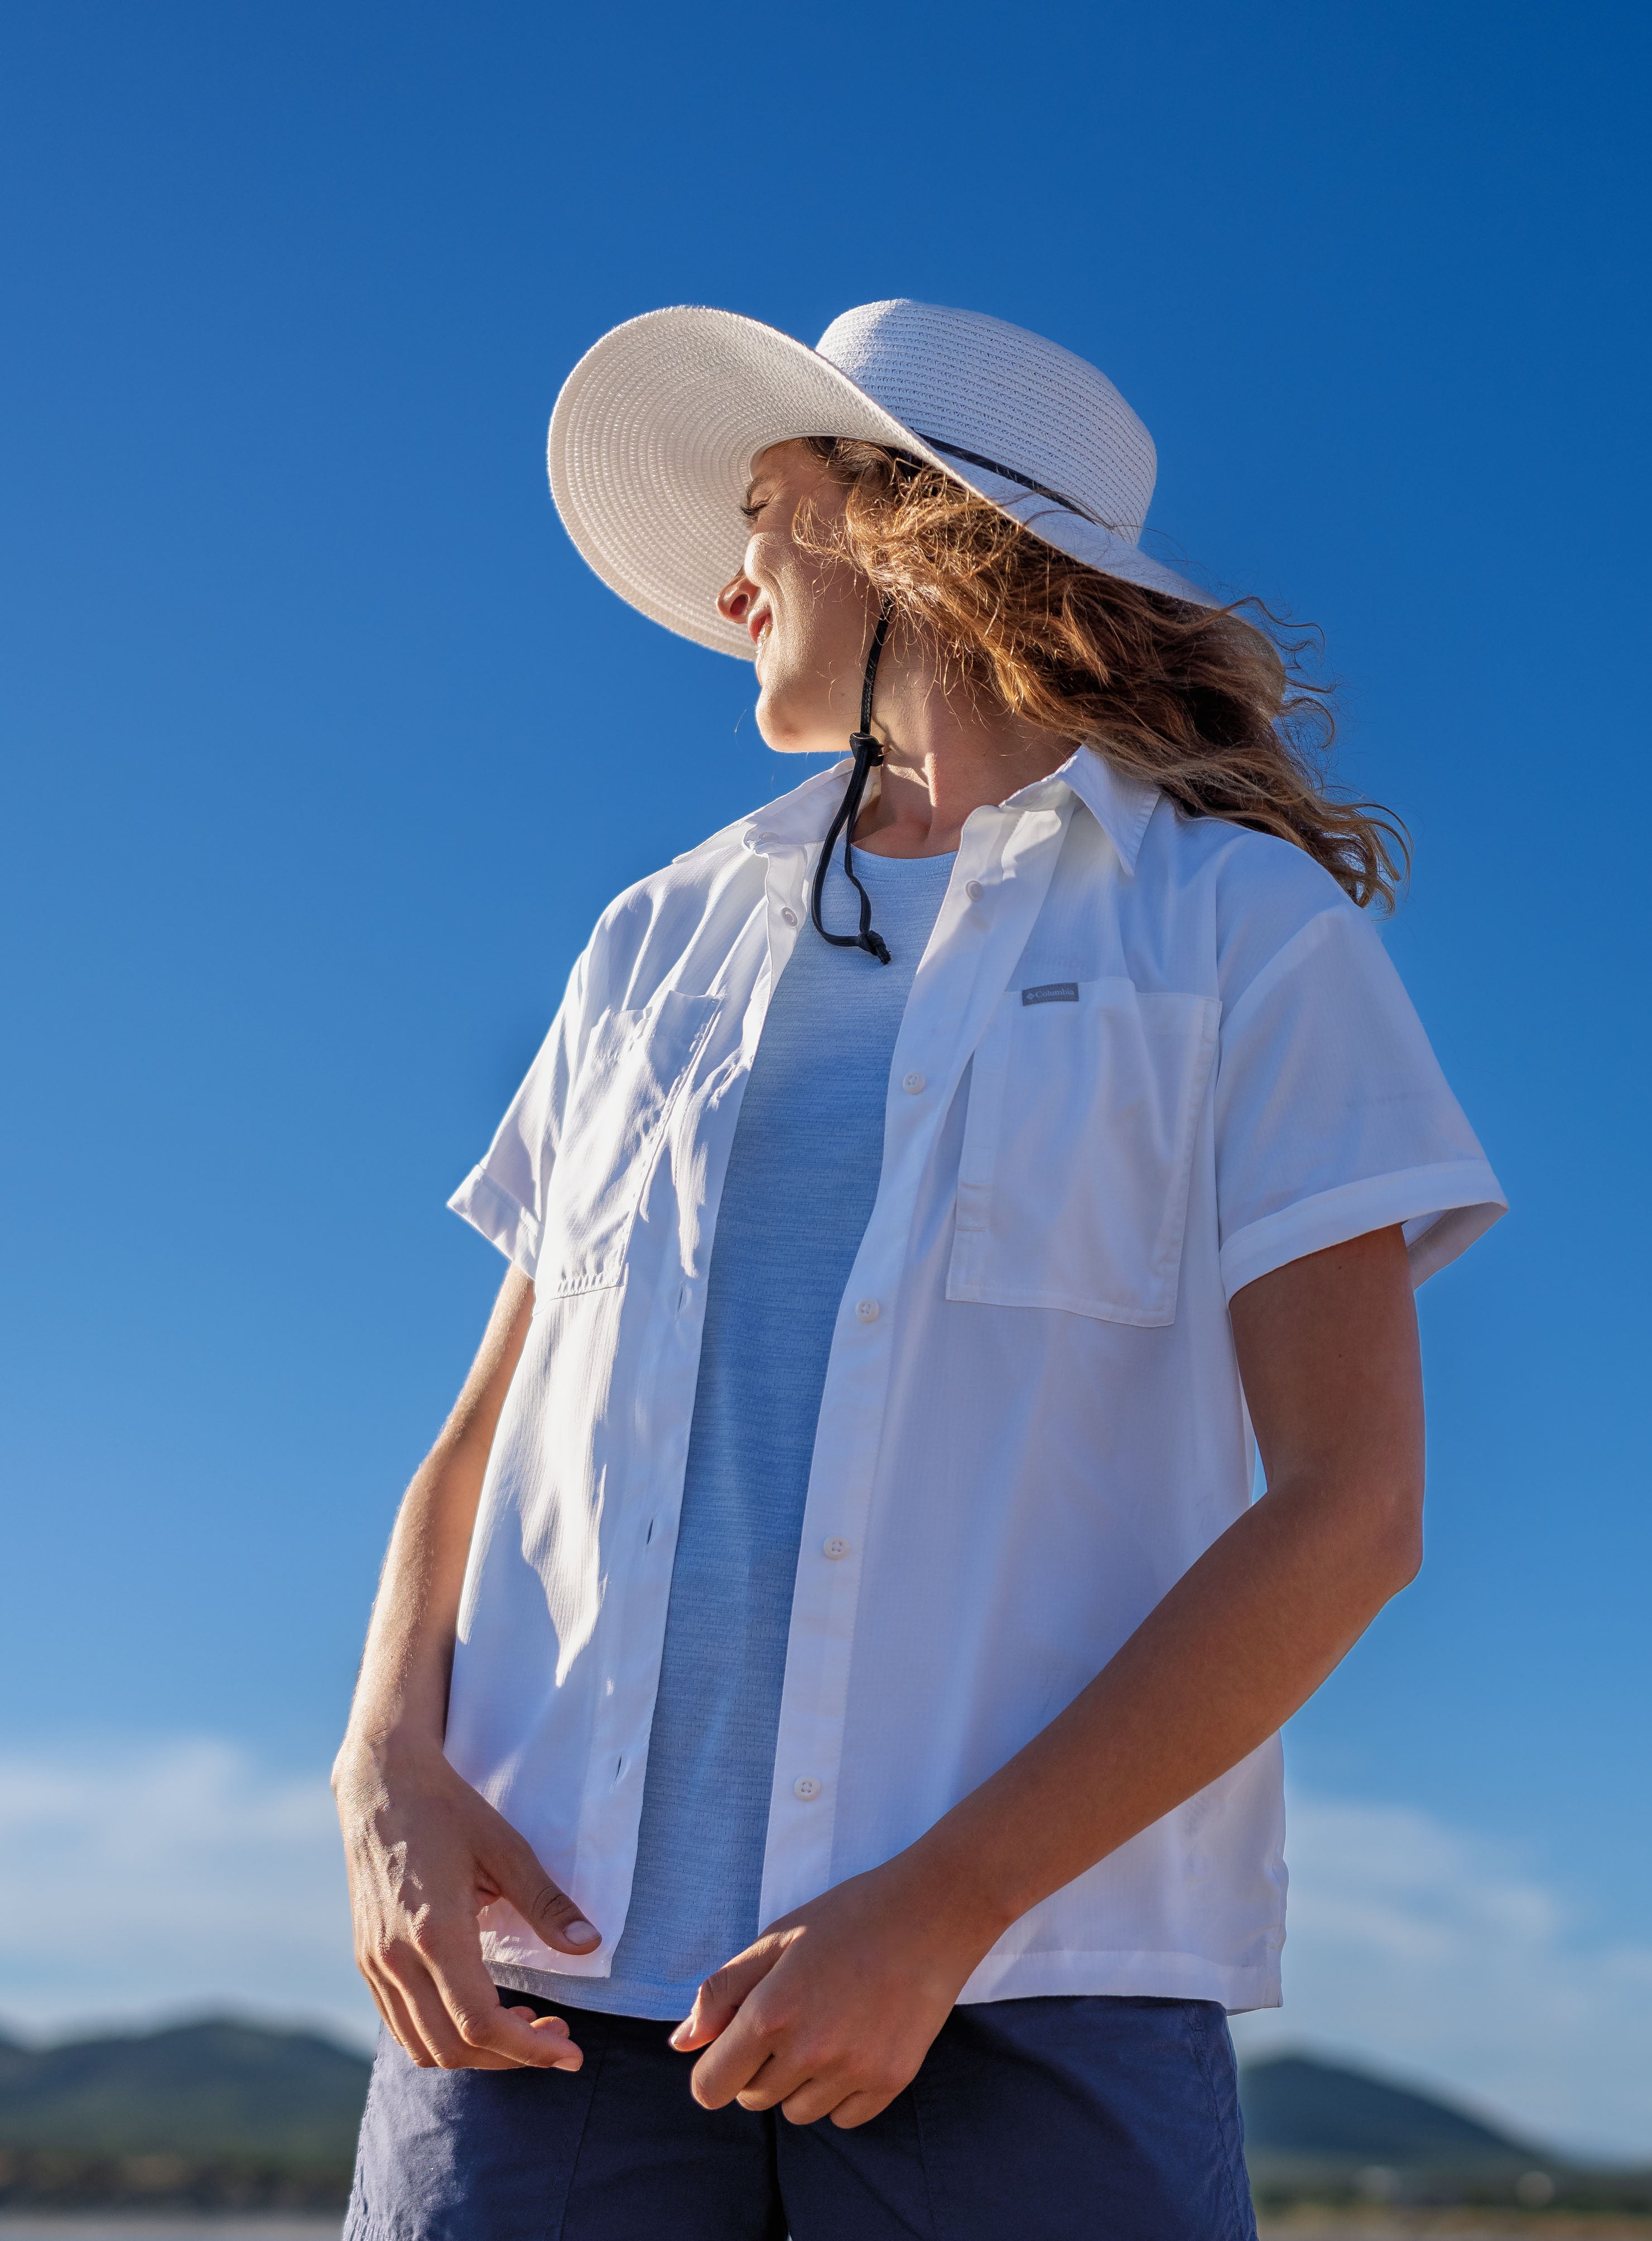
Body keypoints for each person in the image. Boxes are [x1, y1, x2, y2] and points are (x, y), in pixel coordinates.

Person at [334, 298, 1504, 2241]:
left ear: (904, 531)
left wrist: (945, 1902)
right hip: (540, 2003)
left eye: (767, 509)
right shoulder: (650, 943)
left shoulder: (1241, 935)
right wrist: (383, 1765)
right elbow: (483, 1434)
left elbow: (1352, 1509)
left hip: (1036, 2001)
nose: (730, 580)